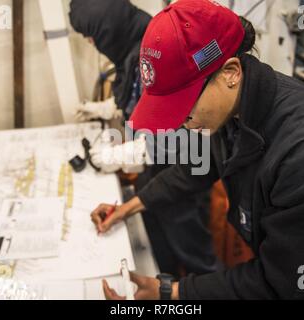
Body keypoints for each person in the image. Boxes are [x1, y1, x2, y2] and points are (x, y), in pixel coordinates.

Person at [91, 0, 304, 300]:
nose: (180, 123)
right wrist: (129, 207)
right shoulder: (231, 110)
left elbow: (279, 283)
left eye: (184, 108)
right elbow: (200, 165)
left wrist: (172, 292)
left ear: (230, 72)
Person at [69, 0, 218, 277]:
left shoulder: (157, 53)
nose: (91, 43)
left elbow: (182, 134)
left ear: (108, 29)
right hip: (156, 171)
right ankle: (168, 287)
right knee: (158, 246)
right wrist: (109, 107)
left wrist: (125, 154)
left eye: (92, 36)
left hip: (185, 173)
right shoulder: (133, 47)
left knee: (194, 251)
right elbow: (141, 100)